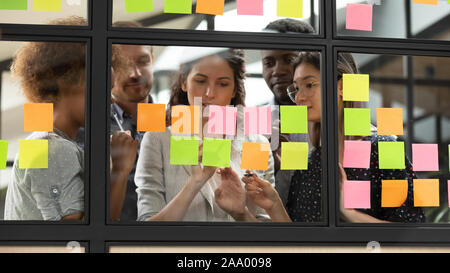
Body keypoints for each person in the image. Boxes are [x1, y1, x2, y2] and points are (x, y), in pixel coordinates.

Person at [237, 52, 425, 223]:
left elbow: (410, 234)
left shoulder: (384, 149)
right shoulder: (311, 163)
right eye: (296, 89)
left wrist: (348, 212)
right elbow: (301, 241)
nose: (300, 98)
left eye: (309, 85)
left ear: (342, 86)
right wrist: (273, 204)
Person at [4, 16, 136, 221]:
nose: (111, 102)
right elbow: (77, 240)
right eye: (103, 89)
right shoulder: (54, 149)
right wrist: (120, 169)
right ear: (67, 83)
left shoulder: (43, 142)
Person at [134, 49, 275, 222]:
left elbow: (267, 229)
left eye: (222, 84)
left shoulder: (256, 143)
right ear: (184, 83)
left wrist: (241, 214)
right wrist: (194, 184)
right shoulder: (158, 139)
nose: (209, 93)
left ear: (233, 91)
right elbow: (146, 229)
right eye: (200, 81)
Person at [76, 21, 153, 221]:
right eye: (123, 65)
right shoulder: (87, 126)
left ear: (153, 60)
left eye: (143, 61)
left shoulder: (175, 124)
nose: (135, 73)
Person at [261, 18, 315, 206]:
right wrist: (270, 167)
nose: (278, 70)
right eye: (269, 62)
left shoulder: (338, 125)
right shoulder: (251, 125)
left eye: (289, 60)